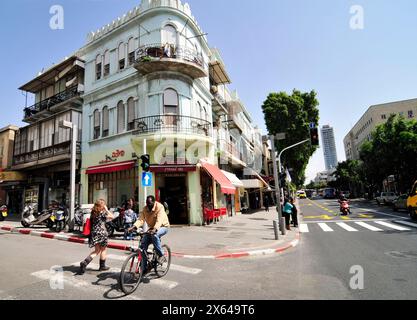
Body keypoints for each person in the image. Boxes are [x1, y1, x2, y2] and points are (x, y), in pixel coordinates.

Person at [129, 195, 170, 272]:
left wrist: (155, 229)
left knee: (154, 235)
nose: (149, 206)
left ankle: (161, 255)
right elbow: (140, 219)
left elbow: (159, 220)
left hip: (163, 227)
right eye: (147, 204)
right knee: (142, 247)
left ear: (154, 202)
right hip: (152, 228)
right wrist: (134, 227)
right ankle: (144, 269)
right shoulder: (145, 209)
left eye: (150, 204)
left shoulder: (160, 207)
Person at [79, 199, 114, 274]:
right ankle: (102, 266)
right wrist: (107, 210)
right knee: (103, 250)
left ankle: (85, 262)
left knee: (97, 250)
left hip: (94, 233)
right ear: (102, 206)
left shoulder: (93, 213)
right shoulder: (102, 213)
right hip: (102, 233)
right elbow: (112, 216)